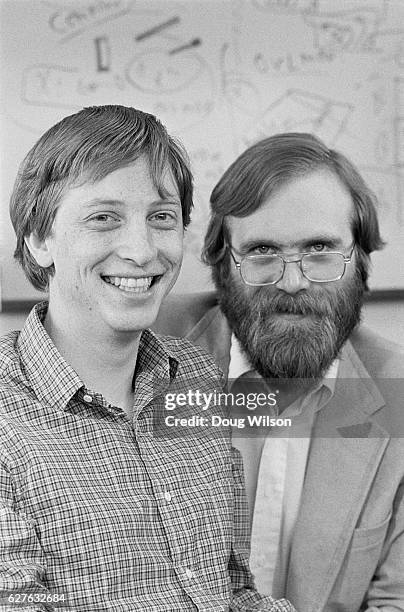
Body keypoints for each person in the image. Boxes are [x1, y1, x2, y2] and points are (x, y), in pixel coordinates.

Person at [0, 106, 296, 612]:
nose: (141, 250)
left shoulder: (200, 378)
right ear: (39, 239)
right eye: (103, 218)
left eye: (161, 218)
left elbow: (230, 589)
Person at [154, 133, 404, 612]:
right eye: (263, 251)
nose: (293, 282)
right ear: (223, 264)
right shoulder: (144, 357)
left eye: (319, 249)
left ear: (362, 260)